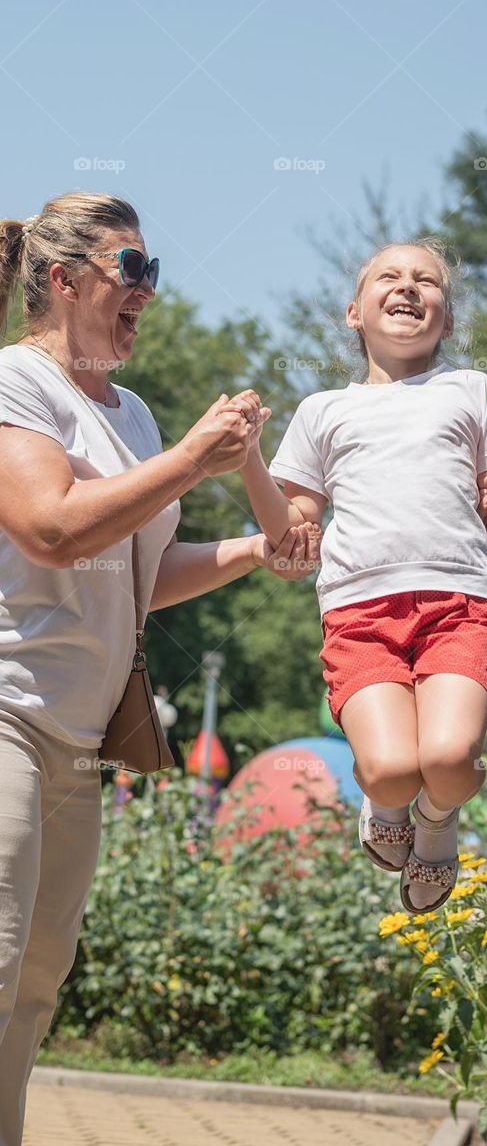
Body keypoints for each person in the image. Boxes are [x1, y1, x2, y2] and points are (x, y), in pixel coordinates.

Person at [0, 191, 319, 1146]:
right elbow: (52, 531)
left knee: (35, 991)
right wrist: (190, 460)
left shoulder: (131, 413)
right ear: (63, 281)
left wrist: (254, 552)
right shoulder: (19, 382)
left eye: (152, 273)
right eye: (129, 270)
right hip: (7, 715)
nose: (148, 289)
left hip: (78, 740)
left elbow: (130, 573)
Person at [240, 238, 487, 914]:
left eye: (427, 282)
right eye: (389, 278)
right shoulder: (323, 411)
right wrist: (248, 459)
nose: (408, 288)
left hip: (459, 601)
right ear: (353, 312)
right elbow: (293, 531)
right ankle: (390, 799)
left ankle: (437, 823)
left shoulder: (471, 391)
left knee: (454, 761)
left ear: (448, 322)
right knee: (393, 769)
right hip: (360, 611)